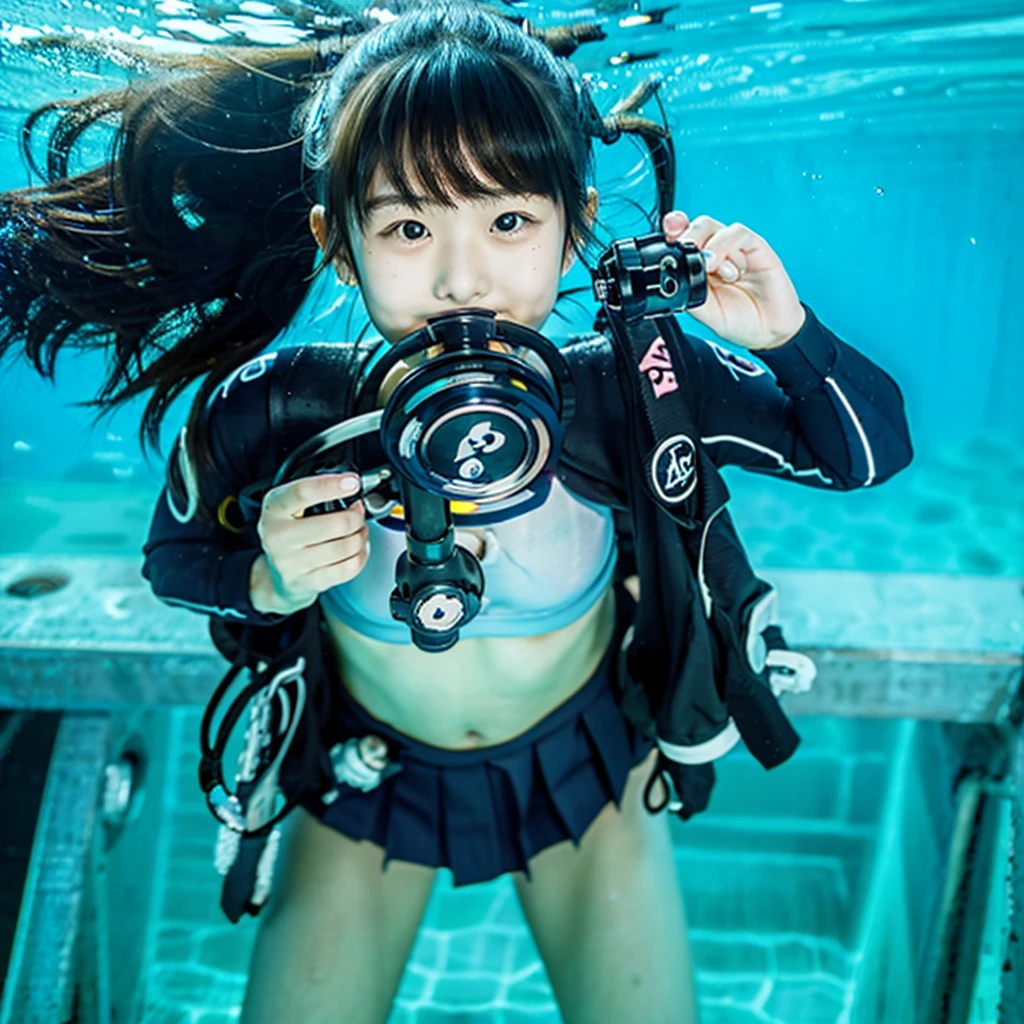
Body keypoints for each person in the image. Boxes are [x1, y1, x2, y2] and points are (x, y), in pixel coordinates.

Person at [0, 3, 914, 1021]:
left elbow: (863, 460)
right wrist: (266, 574)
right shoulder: (280, 410)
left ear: (575, 227)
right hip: (363, 776)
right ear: (336, 243)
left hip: (590, 769)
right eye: (407, 227)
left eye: (509, 220)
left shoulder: (628, 390)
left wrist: (789, 335)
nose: (461, 275)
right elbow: (173, 561)